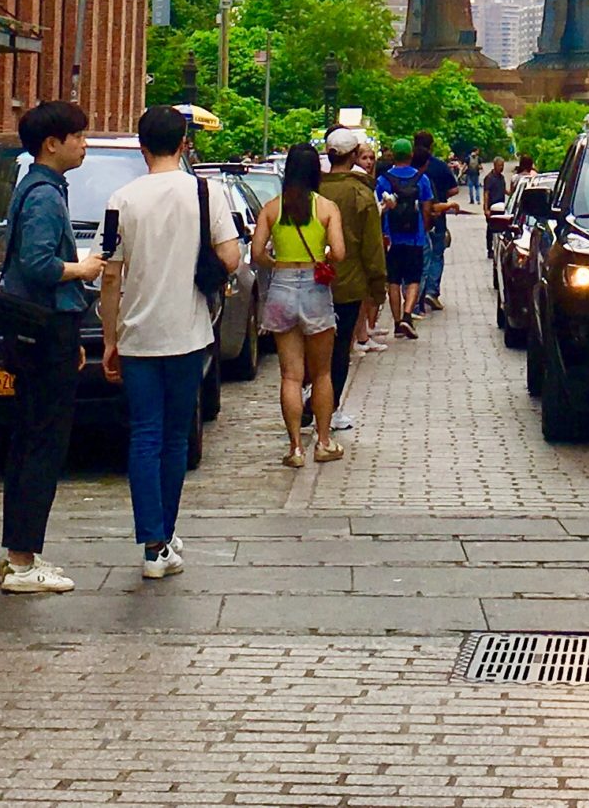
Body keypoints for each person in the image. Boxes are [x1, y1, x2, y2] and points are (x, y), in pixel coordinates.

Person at [102, 106, 247, 575]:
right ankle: (163, 533)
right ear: (185, 143)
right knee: (175, 435)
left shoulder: (121, 198)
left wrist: (110, 338)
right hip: (188, 332)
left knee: (143, 434)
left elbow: (109, 274)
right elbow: (230, 255)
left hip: (137, 333)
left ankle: (153, 539)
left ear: (142, 146)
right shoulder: (206, 192)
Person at [0, 100, 105, 596]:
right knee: (42, 441)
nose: (84, 144)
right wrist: (81, 270)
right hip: (44, 332)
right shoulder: (44, 196)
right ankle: (22, 560)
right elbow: (39, 263)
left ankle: (22, 551)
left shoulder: (39, 188)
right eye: (78, 137)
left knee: (30, 438)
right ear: (51, 143)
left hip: (44, 330)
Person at [255, 143, 347, 466]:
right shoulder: (326, 208)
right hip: (315, 289)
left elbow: (256, 254)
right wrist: (319, 259)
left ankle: (295, 447)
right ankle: (323, 442)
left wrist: (276, 263)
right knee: (322, 372)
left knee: (290, 375)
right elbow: (338, 252)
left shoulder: (272, 208)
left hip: (281, 285)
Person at [321, 130, 387, 421]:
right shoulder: (361, 192)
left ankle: (312, 397)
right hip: (347, 284)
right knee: (339, 349)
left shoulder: (315, 189)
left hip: (311, 282)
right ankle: (330, 408)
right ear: (352, 156)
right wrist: (377, 285)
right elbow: (372, 247)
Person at [377, 140, 433, 337]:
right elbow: (427, 208)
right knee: (413, 279)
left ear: (393, 155)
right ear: (410, 156)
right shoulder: (422, 179)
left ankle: (397, 322)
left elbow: (379, 209)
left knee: (393, 280)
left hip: (391, 238)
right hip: (414, 238)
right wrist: (424, 229)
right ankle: (408, 315)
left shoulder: (383, 180)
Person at [413, 131, 459, 312]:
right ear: (432, 146)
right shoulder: (439, 166)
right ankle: (431, 291)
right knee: (436, 255)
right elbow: (454, 189)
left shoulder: (406, 166)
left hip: (408, 223)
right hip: (436, 218)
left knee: (418, 259)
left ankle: (415, 295)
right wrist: (442, 197)